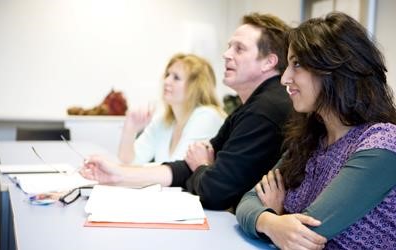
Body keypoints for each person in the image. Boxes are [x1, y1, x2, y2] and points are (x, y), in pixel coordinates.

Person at [80, 13, 292, 210]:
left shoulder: (263, 110)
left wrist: (201, 167)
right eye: (229, 47)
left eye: (239, 48)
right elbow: (186, 169)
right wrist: (117, 176)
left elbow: (214, 191)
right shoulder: (250, 108)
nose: (226, 54)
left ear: (268, 62)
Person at [236, 12, 396, 249]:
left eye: (297, 64)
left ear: (334, 70)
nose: (285, 78)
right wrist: (271, 222)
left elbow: (307, 234)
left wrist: (276, 216)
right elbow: (247, 202)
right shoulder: (313, 140)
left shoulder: (382, 144)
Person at [118, 53, 225, 164]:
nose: (166, 81)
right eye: (167, 75)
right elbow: (129, 163)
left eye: (176, 77)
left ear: (196, 87)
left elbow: (178, 168)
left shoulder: (207, 116)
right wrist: (129, 130)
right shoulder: (163, 122)